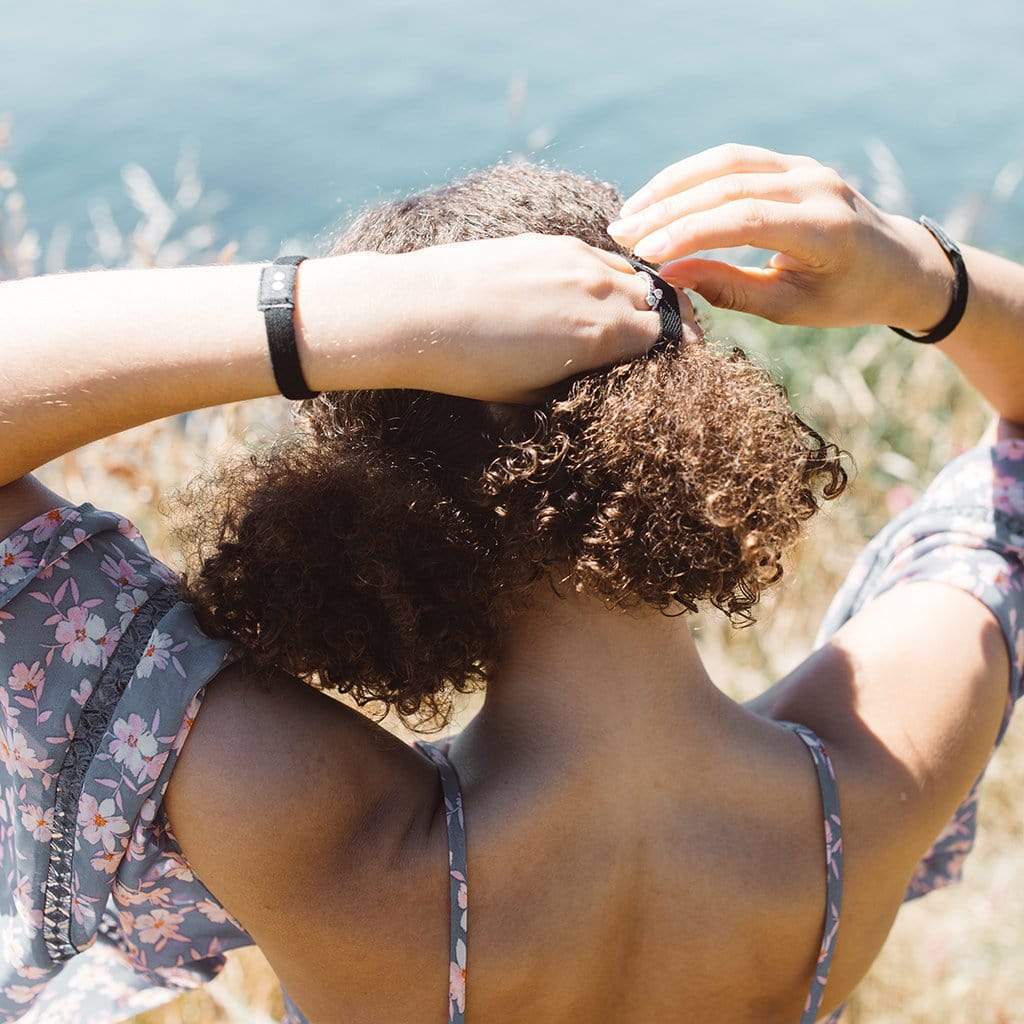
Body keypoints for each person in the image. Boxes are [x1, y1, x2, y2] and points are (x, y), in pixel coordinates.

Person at [0, 149, 1019, 1024]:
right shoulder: (881, 766)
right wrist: (915, 274)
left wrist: (330, 317)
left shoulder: (323, 841)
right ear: (696, 400)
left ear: (370, 490)